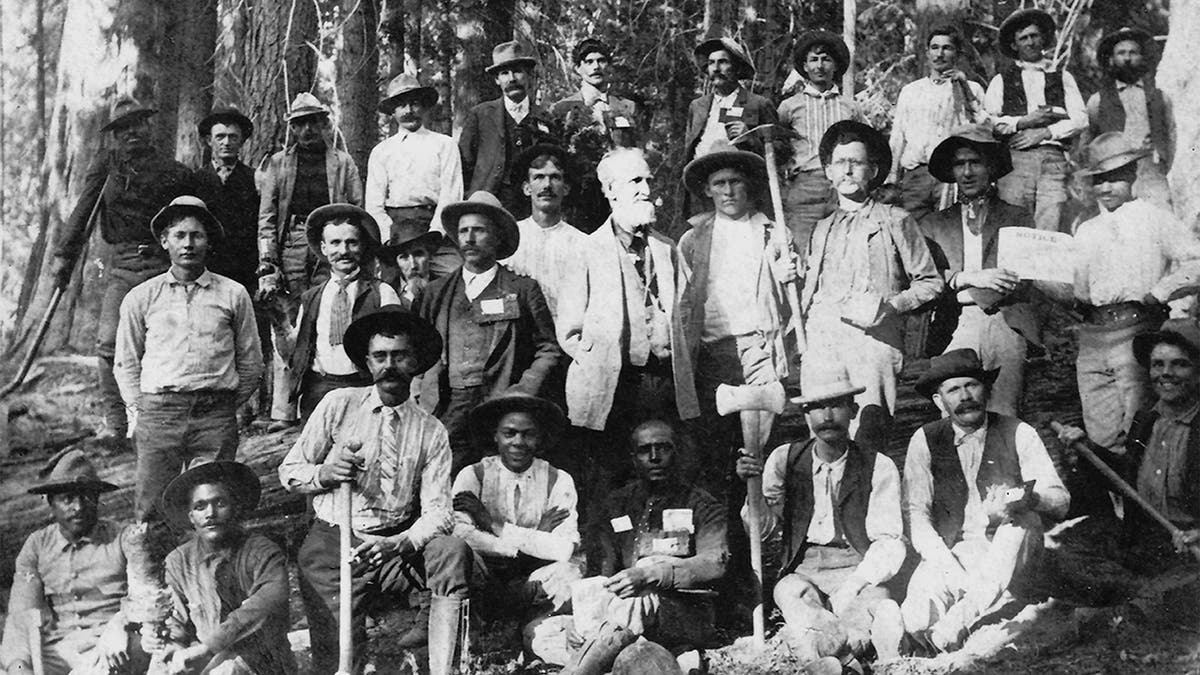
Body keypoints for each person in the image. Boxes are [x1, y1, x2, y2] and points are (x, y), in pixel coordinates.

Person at [278, 308, 471, 675]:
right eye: (381, 357)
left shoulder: (431, 431)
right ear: (367, 362)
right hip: (336, 537)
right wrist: (325, 473)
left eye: (400, 356)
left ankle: (444, 665)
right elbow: (290, 471)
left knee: (451, 550)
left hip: (395, 543)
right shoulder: (338, 405)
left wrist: (398, 544)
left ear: (417, 362)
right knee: (338, 655)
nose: (390, 366)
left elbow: (439, 513)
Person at [47, 97, 194, 444]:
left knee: (167, 344)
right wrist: (63, 257)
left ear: (148, 126)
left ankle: (162, 423)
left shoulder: (173, 172)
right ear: (115, 135)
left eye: (137, 125)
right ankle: (115, 424)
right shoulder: (107, 167)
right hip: (124, 265)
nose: (131, 133)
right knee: (108, 343)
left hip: (164, 266)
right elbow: (83, 210)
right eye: (122, 129)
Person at [735, 368, 905, 669]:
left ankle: (830, 652)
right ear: (805, 415)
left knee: (872, 603)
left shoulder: (879, 466)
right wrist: (754, 493)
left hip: (857, 565)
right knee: (792, 596)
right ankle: (846, 654)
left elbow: (888, 541)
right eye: (817, 407)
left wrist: (855, 583)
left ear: (852, 411)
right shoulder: (784, 459)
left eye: (837, 405)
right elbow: (763, 532)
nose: (827, 415)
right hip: (805, 568)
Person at [902, 349, 1069, 651]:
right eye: (954, 389)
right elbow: (918, 515)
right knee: (915, 618)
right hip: (956, 551)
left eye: (972, 385)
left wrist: (1025, 498)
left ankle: (958, 622)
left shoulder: (1018, 432)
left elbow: (1060, 501)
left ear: (987, 389)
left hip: (1011, 547)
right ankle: (941, 631)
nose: (965, 396)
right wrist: (949, 567)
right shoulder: (924, 440)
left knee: (1017, 525)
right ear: (939, 401)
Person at [114, 196, 263, 525]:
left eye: (197, 235)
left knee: (214, 503)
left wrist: (224, 404)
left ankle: (210, 573)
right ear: (164, 241)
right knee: (152, 504)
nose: (188, 244)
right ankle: (153, 574)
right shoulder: (141, 297)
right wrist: (143, 408)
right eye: (179, 235)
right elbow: (125, 362)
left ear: (208, 241)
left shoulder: (232, 294)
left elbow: (251, 362)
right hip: (160, 414)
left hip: (215, 414)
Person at [556, 148, 699, 485]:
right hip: (613, 387)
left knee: (667, 474)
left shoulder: (667, 249)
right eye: (635, 181)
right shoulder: (586, 250)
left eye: (648, 180)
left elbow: (690, 315)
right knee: (612, 476)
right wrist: (598, 363)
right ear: (609, 191)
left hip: (664, 383)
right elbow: (570, 329)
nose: (646, 189)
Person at [802, 121, 943, 453]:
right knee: (823, 437)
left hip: (874, 341)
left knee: (868, 433)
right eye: (840, 162)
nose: (848, 170)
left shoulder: (896, 220)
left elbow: (930, 283)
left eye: (857, 162)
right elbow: (810, 289)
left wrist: (891, 307)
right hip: (824, 339)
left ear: (873, 170)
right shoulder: (821, 229)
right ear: (827, 171)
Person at [1066, 132, 1200, 457]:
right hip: (1093, 336)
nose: (1106, 188)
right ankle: (1116, 505)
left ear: (1132, 175)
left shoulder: (1154, 219)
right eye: (1099, 181)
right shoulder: (1086, 229)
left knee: (1137, 422)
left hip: (1135, 329)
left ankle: (1144, 502)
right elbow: (1077, 285)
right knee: (1101, 428)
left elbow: (1195, 259)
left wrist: (1161, 291)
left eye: (1114, 179)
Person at [413, 191, 562, 475]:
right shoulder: (435, 293)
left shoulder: (522, 289)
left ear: (497, 236)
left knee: (499, 482)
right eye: (463, 231)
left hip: (502, 406)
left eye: (478, 231)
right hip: (448, 406)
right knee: (445, 480)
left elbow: (549, 348)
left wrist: (525, 388)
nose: (469, 239)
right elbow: (419, 352)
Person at [568, 419, 727, 674]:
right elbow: (602, 573)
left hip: (686, 612)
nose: (654, 457)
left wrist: (651, 574)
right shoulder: (616, 504)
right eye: (645, 450)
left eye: (663, 448)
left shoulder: (702, 505)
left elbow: (714, 563)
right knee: (549, 631)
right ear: (633, 458)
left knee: (639, 596)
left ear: (678, 453)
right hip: (623, 612)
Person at [1056, 319, 1200, 572]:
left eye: (1179, 364)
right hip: (1142, 542)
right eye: (1158, 364)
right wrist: (1087, 448)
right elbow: (1126, 479)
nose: (1166, 373)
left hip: (1190, 551)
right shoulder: (1146, 419)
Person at [257, 92, 364, 431]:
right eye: (300, 124)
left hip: (331, 243)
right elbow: (268, 217)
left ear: (324, 124)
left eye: (312, 122)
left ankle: (323, 400)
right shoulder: (278, 163)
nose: (307, 130)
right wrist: (268, 262)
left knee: (328, 312)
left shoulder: (342, 162)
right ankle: (283, 410)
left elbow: (357, 208)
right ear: (292, 127)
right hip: (291, 241)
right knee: (288, 319)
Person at [451, 393, 583, 663]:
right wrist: (530, 542)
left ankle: (537, 633)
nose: (518, 443)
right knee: (459, 554)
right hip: (486, 578)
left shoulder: (558, 480)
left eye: (528, 434)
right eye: (509, 433)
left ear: (540, 437)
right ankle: (473, 640)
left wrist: (492, 523)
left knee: (569, 571)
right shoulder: (472, 475)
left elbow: (563, 548)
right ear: (495, 436)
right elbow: (462, 534)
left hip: (532, 580)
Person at [919, 125, 1038, 416]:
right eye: (960, 164)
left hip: (1005, 320)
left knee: (1004, 413)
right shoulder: (933, 224)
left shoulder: (1017, 216)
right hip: (955, 323)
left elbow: (1025, 276)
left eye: (976, 162)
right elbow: (923, 277)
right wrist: (968, 278)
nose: (968, 172)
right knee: (957, 413)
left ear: (991, 167)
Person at [0, 451, 144, 675]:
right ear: (51, 503)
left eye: (86, 497)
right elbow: (21, 615)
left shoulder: (123, 538)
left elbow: (144, 596)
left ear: (97, 499)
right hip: (60, 651)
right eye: (68, 498)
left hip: (113, 645)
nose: (78, 507)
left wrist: (120, 623)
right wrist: (19, 666)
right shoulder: (37, 545)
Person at [152, 460, 293, 675]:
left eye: (220, 503)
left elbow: (266, 604)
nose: (210, 514)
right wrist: (174, 650)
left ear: (235, 507)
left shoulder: (262, 551)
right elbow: (175, 621)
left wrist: (210, 647)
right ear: (191, 516)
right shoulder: (179, 561)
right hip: (202, 659)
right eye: (200, 506)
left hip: (261, 661)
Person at [270, 203, 399, 421]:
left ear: (362, 246)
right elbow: (293, 352)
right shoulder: (313, 297)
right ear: (323, 248)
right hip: (319, 391)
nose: (344, 251)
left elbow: (395, 351)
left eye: (352, 243)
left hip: (364, 390)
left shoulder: (382, 293)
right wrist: (279, 322)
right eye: (335, 243)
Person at [984, 8, 1087, 232]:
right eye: (1023, 38)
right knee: (1013, 224)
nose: (1030, 42)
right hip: (1015, 160)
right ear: (1014, 45)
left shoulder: (1062, 77)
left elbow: (1081, 119)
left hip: (1053, 160)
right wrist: (1024, 122)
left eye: (1034, 36)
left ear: (1043, 39)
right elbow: (988, 122)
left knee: (1050, 225)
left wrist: (1045, 132)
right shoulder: (1001, 81)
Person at [365, 73, 463, 281]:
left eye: (414, 104)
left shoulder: (444, 145)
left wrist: (435, 235)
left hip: (435, 228)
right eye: (401, 105)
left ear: (425, 106)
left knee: (456, 281)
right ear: (393, 111)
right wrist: (388, 237)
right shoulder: (382, 151)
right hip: (396, 231)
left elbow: (451, 195)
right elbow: (374, 205)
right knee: (388, 288)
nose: (409, 111)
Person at [887, 26, 989, 222]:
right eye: (934, 47)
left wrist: (964, 87)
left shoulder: (971, 89)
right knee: (914, 235)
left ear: (957, 53)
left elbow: (984, 127)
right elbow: (898, 136)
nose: (939, 54)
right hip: (916, 176)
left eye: (947, 48)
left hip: (953, 176)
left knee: (950, 233)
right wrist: (891, 178)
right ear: (927, 52)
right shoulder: (911, 90)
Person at [777, 30, 861, 250]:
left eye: (826, 59)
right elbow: (777, 148)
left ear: (835, 66)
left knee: (843, 249)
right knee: (803, 250)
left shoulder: (850, 107)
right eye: (813, 60)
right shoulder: (789, 106)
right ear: (804, 66)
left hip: (844, 184)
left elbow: (868, 146)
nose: (820, 66)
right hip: (806, 187)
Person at [459, 41, 559, 217]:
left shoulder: (546, 117)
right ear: (497, 80)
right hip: (491, 202)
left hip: (534, 205)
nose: (512, 78)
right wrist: (472, 197)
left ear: (529, 75)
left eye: (518, 71)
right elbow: (464, 164)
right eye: (504, 73)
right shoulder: (480, 115)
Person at [550, 38, 640, 232]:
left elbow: (635, 153)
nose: (596, 67)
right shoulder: (562, 109)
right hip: (579, 199)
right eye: (589, 62)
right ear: (577, 68)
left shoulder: (627, 107)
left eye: (601, 60)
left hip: (619, 195)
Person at [500, 144, 589, 325]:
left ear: (565, 188)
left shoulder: (582, 243)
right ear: (527, 188)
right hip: (519, 336)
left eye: (555, 178)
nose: (547, 185)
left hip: (567, 337)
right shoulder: (510, 237)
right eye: (539, 177)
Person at [1085, 27, 1173, 206]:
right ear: (1111, 59)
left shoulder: (1160, 97)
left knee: (1159, 219)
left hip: (1152, 173)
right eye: (1121, 53)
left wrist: (1160, 161)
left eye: (1133, 53)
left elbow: (1171, 137)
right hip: (1116, 177)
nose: (1127, 58)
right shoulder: (1097, 101)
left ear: (1142, 58)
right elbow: (1087, 144)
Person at [685, 37, 776, 161]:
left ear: (737, 68)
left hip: (739, 174)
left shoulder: (758, 104)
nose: (716, 68)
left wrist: (751, 140)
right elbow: (689, 149)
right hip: (703, 173)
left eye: (723, 62)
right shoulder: (697, 106)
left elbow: (782, 150)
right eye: (711, 63)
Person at [382, 229, 443, 309]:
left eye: (418, 254)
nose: (413, 265)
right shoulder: (386, 291)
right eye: (404, 257)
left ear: (429, 255)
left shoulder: (445, 289)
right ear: (396, 262)